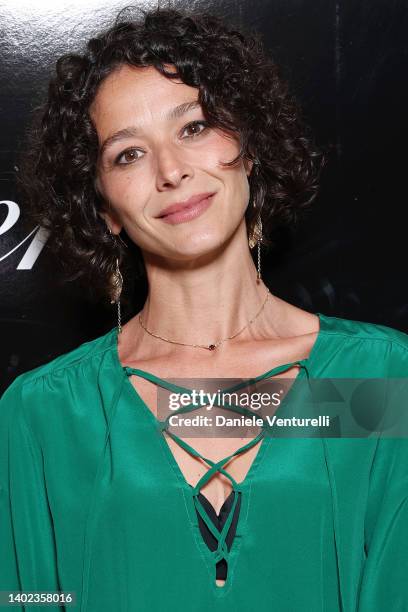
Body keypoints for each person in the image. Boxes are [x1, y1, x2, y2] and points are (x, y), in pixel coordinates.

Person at [1, 6, 408, 612]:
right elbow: (29, 597)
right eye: (128, 155)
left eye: (193, 128)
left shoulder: (373, 378)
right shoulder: (44, 413)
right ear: (104, 207)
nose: (171, 171)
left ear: (249, 145)